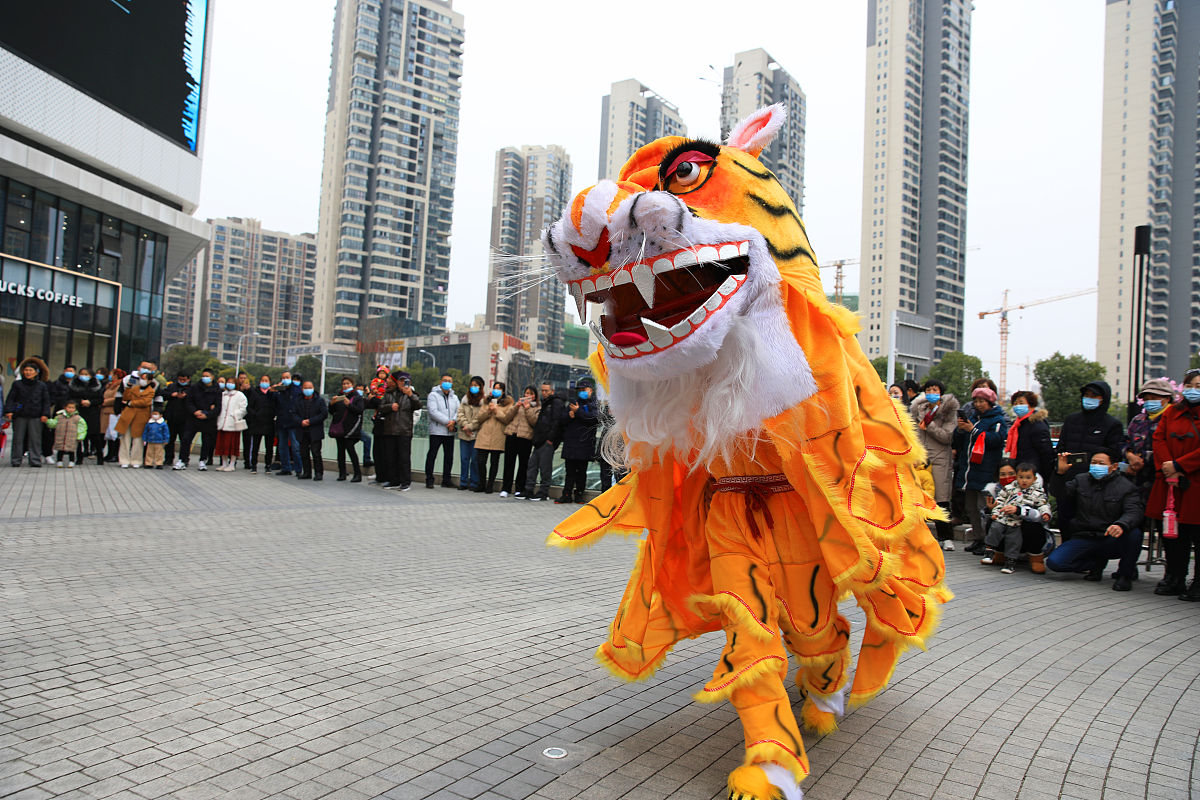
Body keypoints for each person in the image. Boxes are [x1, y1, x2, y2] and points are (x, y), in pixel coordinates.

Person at [1047, 449, 1144, 591]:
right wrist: (1060, 474)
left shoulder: (1126, 487)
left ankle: (1125, 574)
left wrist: (1120, 525)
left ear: (1114, 466)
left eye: (1101, 463)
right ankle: (1094, 564)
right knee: (1055, 563)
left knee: (1134, 534)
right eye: (1093, 462)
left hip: (1110, 536)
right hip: (1085, 536)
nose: (1096, 466)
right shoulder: (1081, 480)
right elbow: (1060, 494)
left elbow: (1134, 511)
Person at [1146, 369, 1200, 600]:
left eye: (1198, 386)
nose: (1193, 390)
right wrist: (1167, 467)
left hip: (1195, 482)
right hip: (1169, 482)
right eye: (1190, 385)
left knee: (1196, 534)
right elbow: (1159, 438)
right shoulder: (1172, 413)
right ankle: (1174, 577)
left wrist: (1180, 465)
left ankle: (1197, 583)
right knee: (1171, 534)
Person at [1054, 380, 1125, 536]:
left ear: (1103, 399)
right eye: (1086, 395)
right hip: (1069, 479)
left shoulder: (1112, 424)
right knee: (1065, 520)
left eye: (1094, 395)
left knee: (1090, 524)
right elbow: (1061, 446)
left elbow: (1114, 454)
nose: (1089, 398)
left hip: (1095, 483)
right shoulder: (1072, 420)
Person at [1124, 378, 1174, 592]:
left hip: (1163, 483)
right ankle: (1127, 568)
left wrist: (1142, 458)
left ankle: (1173, 573)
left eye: (1156, 397)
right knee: (1133, 524)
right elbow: (1126, 443)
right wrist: (1128, 456)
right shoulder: (1138, 420)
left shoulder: (1173, 419)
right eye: (1147, 397)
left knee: (1168, 531)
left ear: (1167, 399)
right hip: (1136, 483)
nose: (1151, 401)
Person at [954, 386, 1010, 553]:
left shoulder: (997, 420)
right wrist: (960, 429)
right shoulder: (972, 417)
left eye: (982, 401)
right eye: (976, 401)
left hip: (986, 469)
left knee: (982, 507)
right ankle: (978, 538)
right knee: (970, 507)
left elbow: (996, 440)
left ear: (990, 402)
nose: (978, 404)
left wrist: (973, 430)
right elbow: (958, 441)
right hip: (968, 470)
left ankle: (988, 541)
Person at [909, 379, 959, 550]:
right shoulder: (919, 409)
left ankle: (946, 536)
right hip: (921, 458)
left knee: (941, 497)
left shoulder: (948, 411)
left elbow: (947, 436)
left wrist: (929, 426)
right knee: (918, 496)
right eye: (928, 389)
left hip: (939, 458)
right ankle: (918, 535)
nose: (931, 392)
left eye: (935, 389)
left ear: (941, 392)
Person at [981, 463, 1051, 573]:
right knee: (995, 523)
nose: (1024, 481)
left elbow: (1042, 508)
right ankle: (997, 553)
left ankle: (1035, 559)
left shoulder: (1038, 492)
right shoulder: (1006, 489)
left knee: (1031, 527)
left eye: (1028, 478)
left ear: (1035, 478)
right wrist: (993, 511)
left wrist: (1045, 513)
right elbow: (999, 502)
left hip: (1026, 527)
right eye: (1021, 477)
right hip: (1008, 520)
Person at [367, 370, 420, 490]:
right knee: (390, 457)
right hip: (390, 430)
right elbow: (381, 407)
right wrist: (390, 407)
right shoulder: (389, 393)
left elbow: (418, 405)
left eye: (404, 381)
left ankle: (405, 482)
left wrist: (410, 394)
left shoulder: (411, 394)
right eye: (400, 380)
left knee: (404, 457)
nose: (402, 383)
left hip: (404, 430)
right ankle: (393, 480)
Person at [4, 357, 51, 467]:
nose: (28, 372)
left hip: (36, 415)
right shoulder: (17, 384)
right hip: (20, 414)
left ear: (36, 372)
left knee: (35, 439)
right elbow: (11, 398)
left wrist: (45, 414)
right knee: (18, 439)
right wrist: (9, 411)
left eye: (30, 370)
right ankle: (16, 460)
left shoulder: (41, 385)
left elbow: (46, 401)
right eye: (26, 370)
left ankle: (35, 460)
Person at [558, 381, 598, 504]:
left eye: (584, 389)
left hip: (585, 445)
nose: (582, 392)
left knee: (582, 472)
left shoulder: (594, 405)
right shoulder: (572, 403)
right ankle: (566, 494)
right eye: (579, 390)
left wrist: (578, 411)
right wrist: (569, 416)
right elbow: (561, 420)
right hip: (571, 444)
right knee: (569, 472)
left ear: (591, 390)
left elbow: (593, 419)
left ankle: (579, 494)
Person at [1004, 390, 1055, 485]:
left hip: (1034, 473)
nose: (1017, 406)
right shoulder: (1017, 425)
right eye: (1015, 403)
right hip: (1021, 472)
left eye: (1021, 403)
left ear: (1031, 404)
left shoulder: (1037, 425)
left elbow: (1046, 453)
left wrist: (1046, 476)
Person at [473, 380, 515, 494]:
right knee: (481, 461)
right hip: (484, 434)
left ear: (503, 391)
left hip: (498, 435)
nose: (496, 390)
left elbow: (507, 419)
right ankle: (481, 483)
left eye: (499, 388)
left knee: (494, 462)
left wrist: (496, 411)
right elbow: (479, 418)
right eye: (495, 388)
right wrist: (488, 410)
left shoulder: (508, 404)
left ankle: (490, 485)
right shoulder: (486, 401)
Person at [527, 382, 566, 502]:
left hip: (547, 441)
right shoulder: (545, 403)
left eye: (546, 391)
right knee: (532, 466)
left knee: (545, 468)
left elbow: (557, 423)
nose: (544, 393)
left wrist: (550, 439)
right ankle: (529, 490)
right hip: (538, 440)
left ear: (552, 391)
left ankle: (543, 492)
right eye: (542, 390)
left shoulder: (556, 403)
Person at [500, 386, 538, 497]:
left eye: (530, 394)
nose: (527, 396)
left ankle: (519, 488)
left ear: (535, 396)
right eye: (526, 393)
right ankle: (505, 488)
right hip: (512, 435)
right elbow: (507, 418)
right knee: (509, 463)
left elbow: (534, 422)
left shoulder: (536, 407)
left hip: (525, 438)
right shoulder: (517, 405)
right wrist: (516, 406)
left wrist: (527, 409)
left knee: (523, 464)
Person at [424, 373, 459, 489]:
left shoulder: (454, 397)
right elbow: (433, 411)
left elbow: (459, 411)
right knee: (432, 455)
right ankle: (429, 479)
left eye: (450, 381)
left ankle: (446, 479)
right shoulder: (433, 395)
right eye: (445, 380)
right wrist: (447, 422)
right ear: (440, 382)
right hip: (437, 430)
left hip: (450, 431)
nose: (447, 383)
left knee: (449, 457)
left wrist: (453, 422)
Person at [181, 369, 221, 471]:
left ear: (212, 377)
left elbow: (218, 407)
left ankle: (203, 460)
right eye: (203, 376)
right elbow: (189, 401)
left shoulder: (217, 390)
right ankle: (183, 460)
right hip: (194, 417)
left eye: (207, 376)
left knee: (206, 441)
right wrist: (194, 411)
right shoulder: (195, 388)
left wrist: (207, 415)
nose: (205, 378)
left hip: (208, 419)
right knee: (186, 439)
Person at [114, 370, 155, 469]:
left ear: (149, 380)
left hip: (141, 416)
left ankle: (136, 460)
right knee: (125, 438)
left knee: (138, 439)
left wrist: (131, 403)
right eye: (141, 378)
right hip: (128, 415)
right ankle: (124, 460)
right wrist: (128, 387)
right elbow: (126, 397)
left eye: (144, 378)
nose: (142, 380)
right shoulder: (134, 388)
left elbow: (145, 402)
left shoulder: (151, 391)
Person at [329, 376, 364, 482]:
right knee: (340, 452)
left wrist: (349, 405)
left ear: (352, 385)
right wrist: (331, 404)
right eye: (344, 384)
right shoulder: (339, 396)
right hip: (340, 428)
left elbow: (359, 410)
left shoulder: (357, 397)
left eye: (348, 383)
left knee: (351, 450)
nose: (345, 385)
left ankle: (357, 474)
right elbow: (332, 411)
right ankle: (342, 473)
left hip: (351, 429)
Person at [455, 376, 485, 491]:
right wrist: (465, 426)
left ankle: (474, 482)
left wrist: (470, 427)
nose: (474, 387)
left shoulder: (484, 401)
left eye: (476, 385)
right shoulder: (464, 400)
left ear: (481, 387)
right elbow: (460, 414)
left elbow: (481, 418)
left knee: (475, 460)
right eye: (472, 385)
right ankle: (463, 482)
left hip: (477, 435)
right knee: (464, 459)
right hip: (464, 434)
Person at [68, 368, 103, 465]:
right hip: (79, 412)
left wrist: (90, 402)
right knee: (79, 436)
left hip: (93, 412)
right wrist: (80, 402)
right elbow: (70, 398)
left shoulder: (96, 385)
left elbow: (100, 399)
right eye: (82, 374)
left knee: (94, 435)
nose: (84, 376)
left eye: (87, 374)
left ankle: (100, 457)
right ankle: (79, 457)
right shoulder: (74, 385)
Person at [295, 380, 328, 480]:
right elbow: (293, 414)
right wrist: (300, 421)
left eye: (310, 388)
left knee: (316, 453)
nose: (308, 390)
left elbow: (324, 414)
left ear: (313, 388)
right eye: (305, 388)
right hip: (302, 430)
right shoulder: (298, 400)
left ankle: (319, 473)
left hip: (315, 431)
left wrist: (310, 421)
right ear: (302, 389)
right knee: (303, 453)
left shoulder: (320, 401)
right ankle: (306, 472)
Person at [271, 371, 302, 476]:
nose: (285, 379)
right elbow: (273, 403)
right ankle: (286, 468)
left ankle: (298, 469)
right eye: (283, 377)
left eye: (287, 377)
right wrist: (273, 391)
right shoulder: (279, 391)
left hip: (293, 423)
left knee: (295, 447)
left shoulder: (296, 390)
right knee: (282, 447)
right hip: (281, 422)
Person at [214, 376, 248, 471]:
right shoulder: (222, 395)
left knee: (232, 445)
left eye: (232, 382)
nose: (230, 384)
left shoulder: (240, 395)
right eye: (228, 382)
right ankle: (224, 463)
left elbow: (243, 409)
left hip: (233, 424)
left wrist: (235, 415)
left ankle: (232, 464)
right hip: (222, 422)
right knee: (222, 445)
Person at [43, 364, 74, 463]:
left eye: (71, 371)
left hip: (73, 411)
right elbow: (52, 397)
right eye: (67, 370)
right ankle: (50, 453)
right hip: (59, 410)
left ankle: (71, 454)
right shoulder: (56, 383)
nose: (69, 372)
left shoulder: (76, 383)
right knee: (54, 432)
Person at [245, 375, 276, 474]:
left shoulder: (272, 394)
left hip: (269, 423)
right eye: (262, 380)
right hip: (257, 423)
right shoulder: (255, 393)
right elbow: (249, 407)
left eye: (266, 380)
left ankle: (268, 465)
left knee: (269, 447)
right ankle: (253, 465)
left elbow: (276, 406)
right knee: (255, 446)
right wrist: (255, 414)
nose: (264, 382)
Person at [46, 399, 87, 468]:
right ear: (65, 407)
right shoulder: (59, 416)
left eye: (73, 408)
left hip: (72, 437)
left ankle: (71, 461)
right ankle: (59, 461)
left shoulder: (78, 418)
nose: (71, 409)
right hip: (61, 436)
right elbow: (54, 423)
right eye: (69, 407)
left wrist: (80, 436)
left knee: (71, 450)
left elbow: (82, 428)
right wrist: (48, 421)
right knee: (60, 450)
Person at [100, 367, 126, 462]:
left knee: (113, 434)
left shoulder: (120, 385)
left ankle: (115, 454)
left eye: (112, 374)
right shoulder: (109, 385)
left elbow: (116, 398)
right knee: (108, 435)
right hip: (105, 411)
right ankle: (109, 454)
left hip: (112, 412)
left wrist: (104, 402)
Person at [355, 384, 373, 470]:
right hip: (348, 428)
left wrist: (369, 392)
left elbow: (374, 403)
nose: (359, 391)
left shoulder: (363, 401)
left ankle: (366, 459)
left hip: (358, 428)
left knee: (367, 439)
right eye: (358, 389)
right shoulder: (350, 399)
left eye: (361, 390)